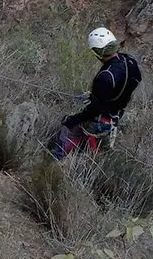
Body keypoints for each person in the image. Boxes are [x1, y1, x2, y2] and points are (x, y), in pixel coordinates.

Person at [53, 27, 142, 160]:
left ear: (98, 51)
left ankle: (55, 161)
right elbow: (135, 80)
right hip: (117, 112)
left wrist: (74, 119)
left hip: (103, 118)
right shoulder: (129, 60)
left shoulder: (105, 76)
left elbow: (93, 111)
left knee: (68, 128)